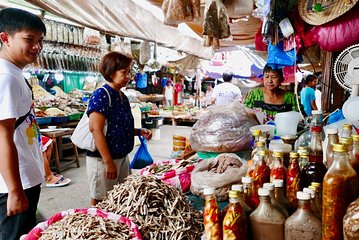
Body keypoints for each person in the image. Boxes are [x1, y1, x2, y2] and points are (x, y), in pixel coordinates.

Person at [0, 8, 46, 239]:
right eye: (29, 40)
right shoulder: (5, 78)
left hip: (24, 177)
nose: (37, 47)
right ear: (5, 38)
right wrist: (15, 190)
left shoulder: (14, 72)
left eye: (40, 41)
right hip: (13, 183)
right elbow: (2, 137)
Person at [87, 52, 152, 206]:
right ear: (110, 73)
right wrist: (108, 162)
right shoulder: (101, 95)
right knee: (101, 200)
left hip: (121, 157)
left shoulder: (121, 96)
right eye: (124, 72)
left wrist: (138, 131)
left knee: (119, 197)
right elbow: (95, 130)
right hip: (103, 159)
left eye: (129, 72)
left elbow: (119, 126)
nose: (128, 76)